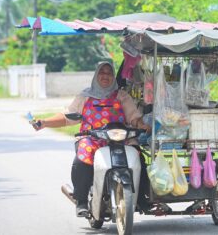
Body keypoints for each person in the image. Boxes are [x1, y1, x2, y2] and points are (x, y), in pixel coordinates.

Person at [33, 61, 150, 217]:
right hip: (92, 138)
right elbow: (67, 117)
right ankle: (81, 201)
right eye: (102, 72)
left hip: (120, 138)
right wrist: (45, 123)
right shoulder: (84, 97)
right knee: (82, 158)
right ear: (96, 75)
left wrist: (141, 124)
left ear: (113, 76)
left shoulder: (122, 95)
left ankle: (142, 199)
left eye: (109, 73)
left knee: (138, 157)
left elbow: (133, 116)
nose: (105, 76)